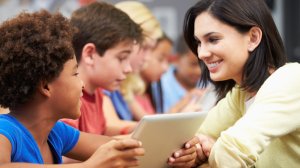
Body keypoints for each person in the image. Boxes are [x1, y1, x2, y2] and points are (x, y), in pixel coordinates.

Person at [0, 10, 144, 167]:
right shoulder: (5, 131)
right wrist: (89, 166)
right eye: (75, 74)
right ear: (46, 86)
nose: (81, 83)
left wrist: (169, 147)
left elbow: (114, 146)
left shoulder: (56, 132)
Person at [168, 0, 300, 167]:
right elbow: (190, 141)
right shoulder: (241, 94)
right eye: (199, 43)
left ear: (253, 38)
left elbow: (230, 153)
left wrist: (211, 150)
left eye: (213, 39)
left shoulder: (291, 80)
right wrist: (193, 154)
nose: (201, 53)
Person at [61, 2, 143, 135]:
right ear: (90, 54)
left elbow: (103, 130)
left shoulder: (97, 92)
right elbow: (68, 153)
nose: (128, 69)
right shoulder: (67, 98)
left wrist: (145, 130)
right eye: (121, 58)